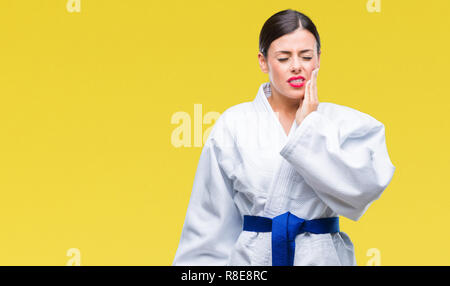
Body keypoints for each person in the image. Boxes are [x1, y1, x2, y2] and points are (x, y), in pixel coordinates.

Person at [172, 9, 395, 266]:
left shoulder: (346, 124)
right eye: (283, 57)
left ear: (319, 60)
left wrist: (310, 127)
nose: (296, 66)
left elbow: (361, 191)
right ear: (263, 61)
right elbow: (209, 219)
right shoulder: (234, 124)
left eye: (306, 56)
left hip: (322, 259)